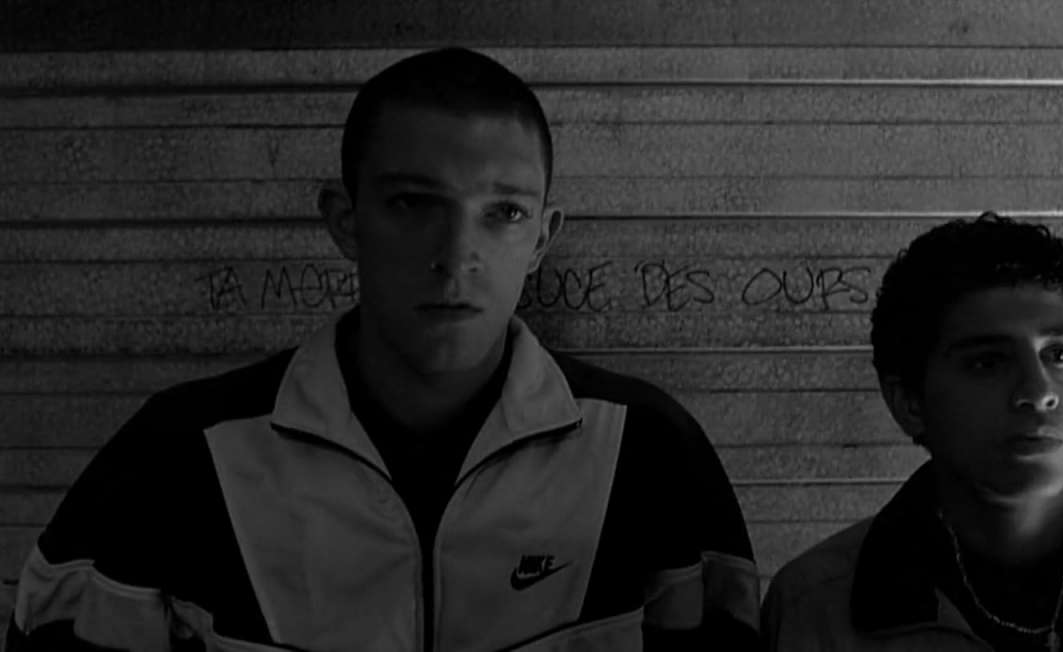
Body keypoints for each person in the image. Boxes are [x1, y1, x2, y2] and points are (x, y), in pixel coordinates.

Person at [7, 47, 759, 651]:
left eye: (503, 212)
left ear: (542, 238)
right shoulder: (177, 457)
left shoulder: (648, 452)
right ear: (345, 220)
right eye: (411, 203)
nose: (456, 254)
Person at [761, 212, 1063, 651]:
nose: (1038, 392)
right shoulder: (815, 608)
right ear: (910, 403)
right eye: (988, 362)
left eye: (1059, 354)